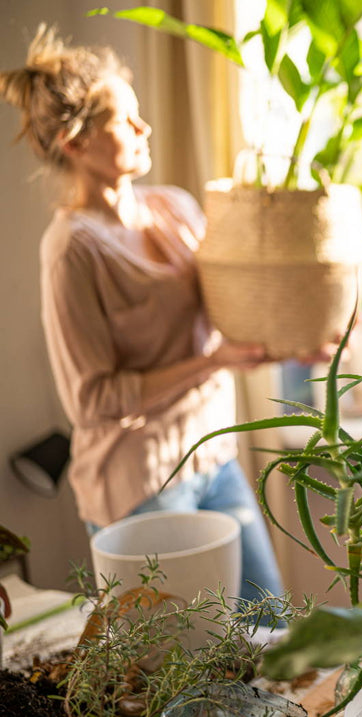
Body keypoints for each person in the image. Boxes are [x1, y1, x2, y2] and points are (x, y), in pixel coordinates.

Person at [0, 26, 284, 605]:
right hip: (140, 488)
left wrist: (295, 338)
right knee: (191, 676)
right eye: (124, 120)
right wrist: (210, 363)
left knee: (277, 631)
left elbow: (235, 309)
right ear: (76, 143)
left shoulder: (174, 207)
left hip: (214, 457)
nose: (143, 127)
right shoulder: (72, 249)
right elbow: (92, 401)